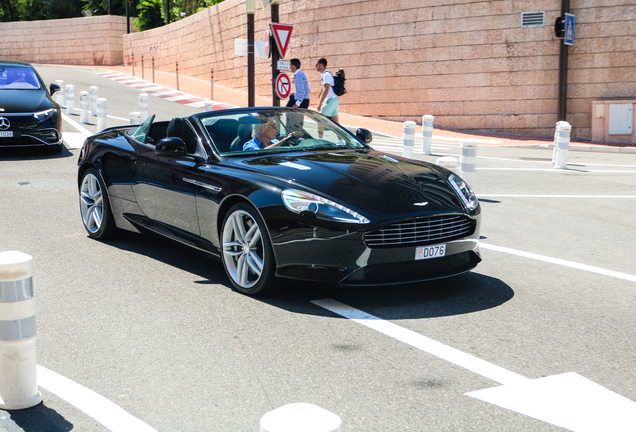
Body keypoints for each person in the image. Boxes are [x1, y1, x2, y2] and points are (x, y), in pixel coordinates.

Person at [315, 58, 339, 124]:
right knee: (336, 124)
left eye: (316, 64)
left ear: (321, 65)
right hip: (333, 100)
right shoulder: (325, 74)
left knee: (320, 119)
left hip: (331, 100)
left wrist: (320, 103)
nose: (315, 66)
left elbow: (326, 89)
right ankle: (341, 134)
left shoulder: (326, 75)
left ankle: (319, 135)